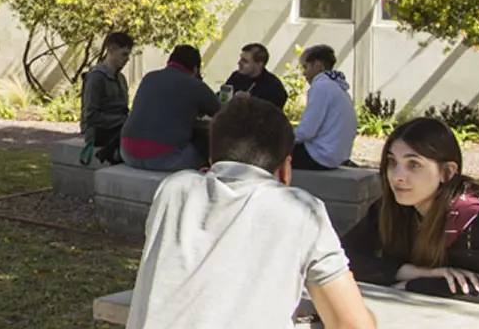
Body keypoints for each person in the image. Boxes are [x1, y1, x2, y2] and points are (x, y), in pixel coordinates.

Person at [127, 97, 374, 328]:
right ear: (286, 169)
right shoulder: (301, 210)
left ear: (211, 158)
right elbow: (352, 324)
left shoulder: (173, 190)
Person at [341, 117, 479, 311]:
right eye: (392, 162)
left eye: (413, 164)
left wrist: (426, 286)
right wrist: (414, 273)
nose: (397, 176)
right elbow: (341, 258)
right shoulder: (394, 207)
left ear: (447, 172)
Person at [119, 45, 220, 172]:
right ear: (195, 68)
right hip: (163, 159)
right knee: (204, 149)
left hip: (127, 153)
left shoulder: (149, 78)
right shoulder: (196, 85)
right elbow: (222, 113)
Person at [293, 44, 357, 170]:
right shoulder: (339, 87)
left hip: (319, 157)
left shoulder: (321, 87)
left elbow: (306, 131)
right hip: (336, 156)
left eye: (305, 67)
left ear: (318, 65)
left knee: (265, 151)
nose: (304, 73)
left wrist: (282, 137)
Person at [80, 32, 133, 148]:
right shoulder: (96, 77)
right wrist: (123, 120)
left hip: (118, 128)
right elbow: (91, 116)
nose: (127, 59)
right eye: (124, 54)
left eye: (128, 55)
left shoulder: (121, 78)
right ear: (111, 50)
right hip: (97, 132)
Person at [223, 42, 288, 110]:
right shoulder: (236, 76)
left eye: (245, 61)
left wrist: (251, 100)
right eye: (240, 59)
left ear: (259, 64)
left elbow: (272, 113)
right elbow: (222, 97)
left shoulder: (274, 86)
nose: (239, 63)